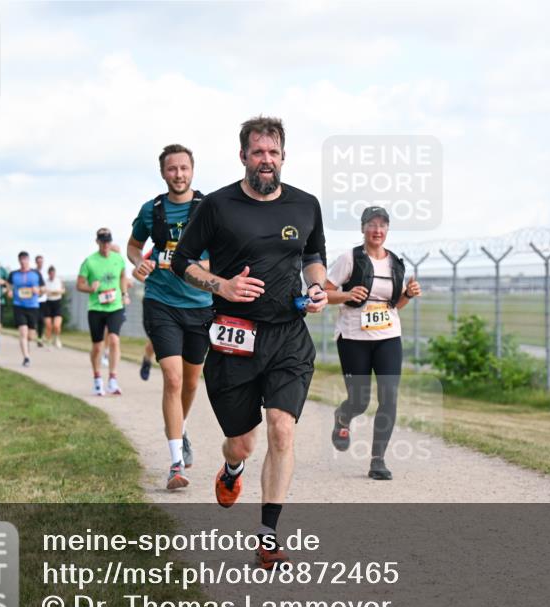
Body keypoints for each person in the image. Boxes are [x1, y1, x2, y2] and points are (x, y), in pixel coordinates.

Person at [172, 116, 328, 569]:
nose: (266, 160)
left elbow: (313, 256)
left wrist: (316, 287)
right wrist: (221, 286)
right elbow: (183, 262)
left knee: (282, 427)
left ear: (283, 157)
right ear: (243, 156)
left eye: (273, 153)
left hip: (288, 336)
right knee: (242, 442)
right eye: (258, 152)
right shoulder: (218, 206)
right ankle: (233, 467)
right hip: (233, 339)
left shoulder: (306, 204)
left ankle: (268, 533)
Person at [128, 143, 214, 490]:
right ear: (163, 173)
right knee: (174, 379)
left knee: (192, 382)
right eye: (171, 169)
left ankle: (181, 428)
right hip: (161, 302)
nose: (178, 175)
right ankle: (176, 463)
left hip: (200, 304)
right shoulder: (152, 210)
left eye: (183, 168)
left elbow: (223, 257)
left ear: (192, 170)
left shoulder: (210, 208)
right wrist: (140, 263)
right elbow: (135, 247)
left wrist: (196, 267)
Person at [324, 206, 422, 481]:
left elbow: (395, 305)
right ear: (363, 228)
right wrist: (346, 295)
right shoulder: (349, 258)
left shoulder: (396, 263)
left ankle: (378, 460)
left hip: (388, 336)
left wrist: (408, 295)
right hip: (353, 337)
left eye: (382, 225)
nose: (377, 230)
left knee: (389, 396)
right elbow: (324, 293)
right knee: (360, 400)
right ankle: (343, 417)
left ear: (387, 230)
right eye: (372, 224)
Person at [76, 228, 129, 396]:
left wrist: (124, 293)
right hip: (96, 308)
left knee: (114, 340)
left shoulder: (118, 259)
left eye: (108, 241)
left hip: (115, 306)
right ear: (97, 242)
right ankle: (97, 379)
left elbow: (122, 277)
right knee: (98, 347)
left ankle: (113, 379)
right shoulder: (89, 262)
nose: (106, 244)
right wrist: (90, 288)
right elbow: (79, 284)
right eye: (103, 241)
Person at [7, 251, 43, 367]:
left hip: (33, 306)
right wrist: (9, 292)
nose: (23, 261)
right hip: (19, 305)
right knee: (23, 332)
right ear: (19, 261)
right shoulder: (13, 274)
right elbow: (8, 286)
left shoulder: (36, 273)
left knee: (30, 335)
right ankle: (26, 357)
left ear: (28, 260)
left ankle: (27, 349)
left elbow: (43, 289)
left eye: (25, 259)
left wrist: (38, 291)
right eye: (21, 259)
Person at [42, 265, 65, 348]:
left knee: (56, 325)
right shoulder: (45, 281)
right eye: (50, 273)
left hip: (57, 303)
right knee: (48, 326)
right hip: (48, 303)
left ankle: (57, 338)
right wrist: (46, 291)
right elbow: (43, 291)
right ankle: (48, 341)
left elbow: (63, 291)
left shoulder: (59, 280)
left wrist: (56, 292)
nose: (52, 275)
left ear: (55, 273)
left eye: (53, 273)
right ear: (48, 273)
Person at [34, 255, 48, 347]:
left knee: (41, 320)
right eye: (38, 261)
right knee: (34, 319)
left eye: (41, 261)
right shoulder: (33, 272)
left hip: (43, 300)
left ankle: (40, 338)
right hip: (34, 299)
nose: (40, 263)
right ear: (36, 262)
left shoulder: (46, 273)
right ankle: (34, 334)